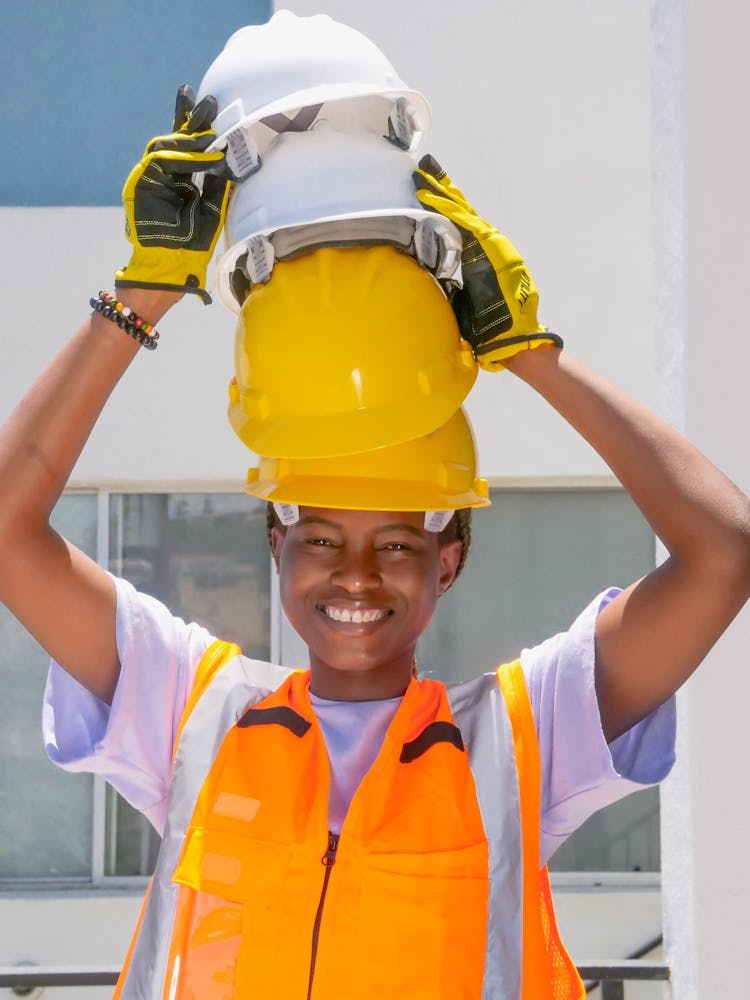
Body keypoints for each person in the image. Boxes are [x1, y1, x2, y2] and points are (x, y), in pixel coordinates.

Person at [1, 90, 749, 1000]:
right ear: (275, 543)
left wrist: (528, 352)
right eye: (320, 537)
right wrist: (140, 301)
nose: (355, 574)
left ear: (449, 561)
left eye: (397, 543)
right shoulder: (187, 708)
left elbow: (723, 553)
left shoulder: (520, 737)